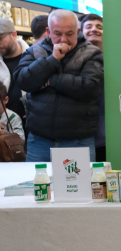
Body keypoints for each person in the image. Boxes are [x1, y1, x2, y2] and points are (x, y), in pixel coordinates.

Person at [13, 9, 103, 162]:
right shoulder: (35, 51)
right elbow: (23, 81)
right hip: (39, 141)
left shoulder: (91, 53)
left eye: (69, 34)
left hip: (78, 141)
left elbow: (90, 88)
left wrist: (49, 80)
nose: (64, 39)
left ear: (78, 31)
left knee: (81, 179)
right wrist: (52, 60)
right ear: (48, 31)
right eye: (57, 33)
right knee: (38, 178)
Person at [80, 13, 106, 161]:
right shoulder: (73, 59)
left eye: (99, 26)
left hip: (106, 127)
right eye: (88, 26)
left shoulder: (115, 58)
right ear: (81, 32)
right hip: (81, 127)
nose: (94, 29)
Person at [0, 18, 27, 134]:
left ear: (14, 35)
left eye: (0, 38)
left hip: (32, 124)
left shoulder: (34, 56)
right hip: (5, 128)